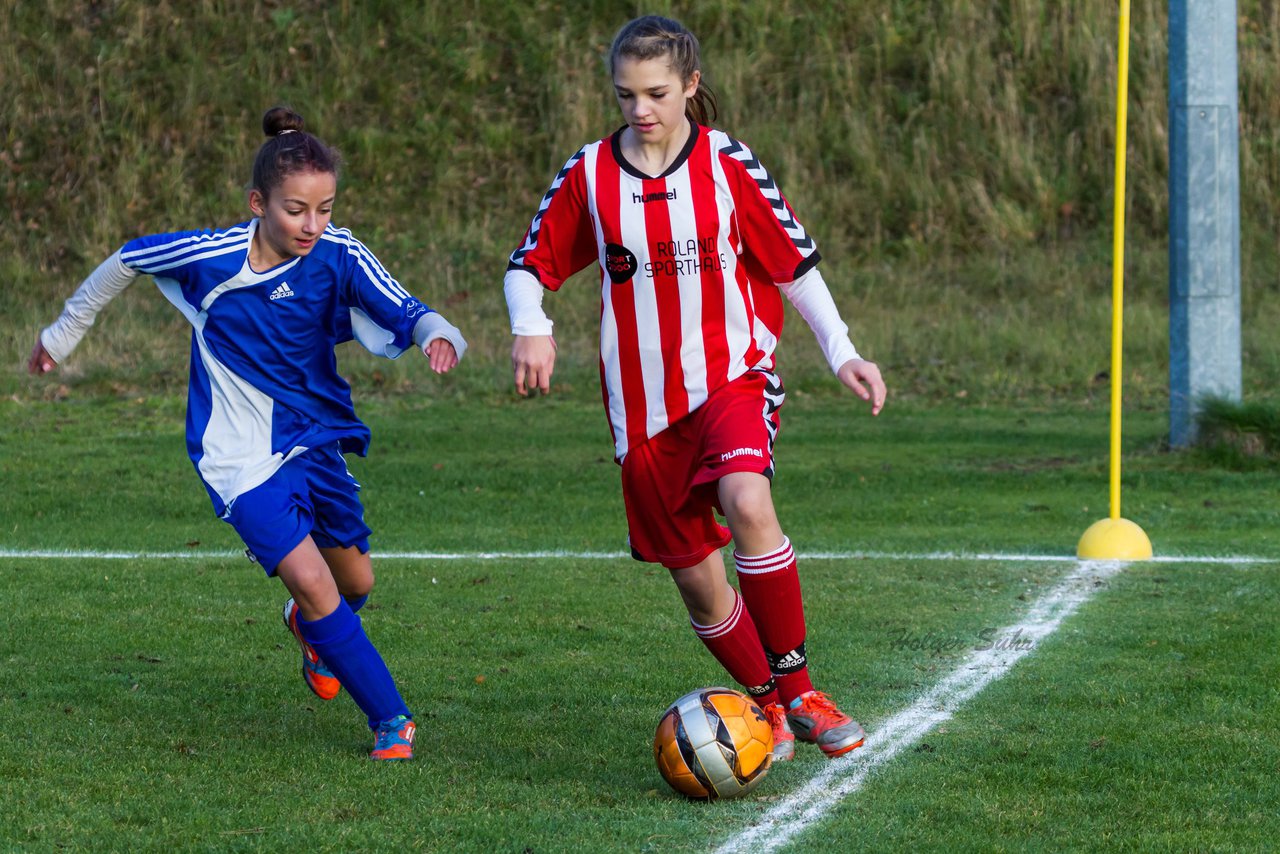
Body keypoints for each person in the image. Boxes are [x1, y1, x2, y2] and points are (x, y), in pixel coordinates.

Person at [29, 106, 467, 761]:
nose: (312, 225)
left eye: (324, 209)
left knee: (355, 585)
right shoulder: (213, 257)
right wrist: (61, 335)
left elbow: (409, 308)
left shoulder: (339, 253)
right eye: (296, 210)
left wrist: (439, 336)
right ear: (258, 203)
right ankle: (391, 721)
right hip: (238, 458)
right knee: (317, 586)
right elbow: (126, 259)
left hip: (315, 443)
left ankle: (309, 630)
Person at [504, 15, 887, 761]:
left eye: (656, 94)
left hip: (732, 378)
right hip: (643, 413)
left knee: (748, 498)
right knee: (700, 587)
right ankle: (770, 709)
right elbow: (530, 263)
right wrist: (531, 324)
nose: (641, 111)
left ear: (690, 87)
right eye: (626, 96)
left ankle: (801, 691)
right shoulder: (590, 174)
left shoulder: (728, 164)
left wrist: (843, 351)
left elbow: (794, 266)